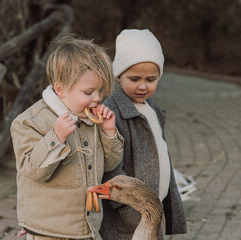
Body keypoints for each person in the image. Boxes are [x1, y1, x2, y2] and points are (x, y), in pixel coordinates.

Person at [10, 34, 124, 240]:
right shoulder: (31, 122)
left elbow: (109, 165)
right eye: (88, 91)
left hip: (88, 227)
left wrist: (109, 132)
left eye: (100, 90)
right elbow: (32, 171)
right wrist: (56, 137)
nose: (97, 98)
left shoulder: (93, 120)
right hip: (48, 231)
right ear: (60, 89)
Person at [101, 29, 187, 239]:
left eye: (151, 79)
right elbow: (111, 167)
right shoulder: (113, 112)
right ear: (118, 74)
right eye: (134, 78)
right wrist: (126, 209)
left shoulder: (152, 109)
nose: (142, 86)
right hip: (128, 215)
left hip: (151, 208)